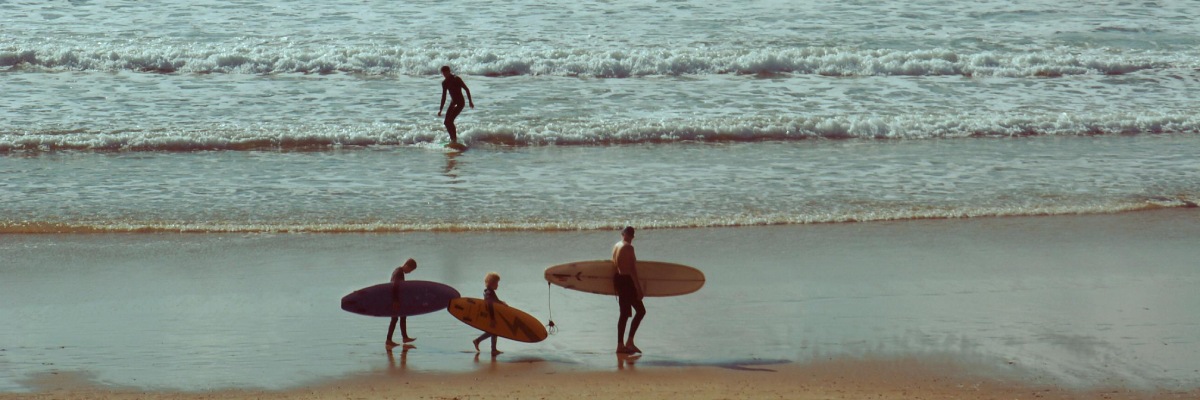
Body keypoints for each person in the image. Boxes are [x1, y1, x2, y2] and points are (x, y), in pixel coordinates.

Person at [612, 226, 645, 354]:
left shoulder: (616, 246)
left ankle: (621, 345)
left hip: (619, 280)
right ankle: (629, 342)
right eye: (631, 235)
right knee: (641, 311)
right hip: (627, 281)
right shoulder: (629, 248)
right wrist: (638, 288)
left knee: (624, 314)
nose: (631, 238)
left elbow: (615, 265)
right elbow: (632, 269)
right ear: (630, 236)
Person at [437, 65, 474, 144]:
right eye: (443, 73)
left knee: (450, 121)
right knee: (446, 122)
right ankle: (453, 139)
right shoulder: (445, 83)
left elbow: (466, 89)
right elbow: (444, 96)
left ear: (449, 71)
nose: (444, 75)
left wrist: (470, 101)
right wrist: (441, 109)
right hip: (453, 103)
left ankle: (454, 140)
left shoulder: (456, 79)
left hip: (460, 103)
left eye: (445, 73)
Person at [386, 258, 418, 347]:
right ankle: (389, 340)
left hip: (396, 299)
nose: (410, 272)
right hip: (394, 299)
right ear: (407, 266)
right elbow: (395, 287)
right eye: (410, 270)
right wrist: (395, 301)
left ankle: (404, 337)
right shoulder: (399, 273)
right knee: (395, 319)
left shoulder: (398, 271)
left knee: (402, 316)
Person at [472, 272, 505, 355]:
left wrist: (501, 303)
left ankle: (493, 349)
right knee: (493, 331)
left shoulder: (490, 292)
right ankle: (478, 341)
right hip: (490, 315)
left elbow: (495, 302)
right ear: (492, 283)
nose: (498, 285)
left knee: (494, 331)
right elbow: (490, 305)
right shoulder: (489, 293)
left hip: (491, 315)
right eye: (497, 283)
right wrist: (492, 319)